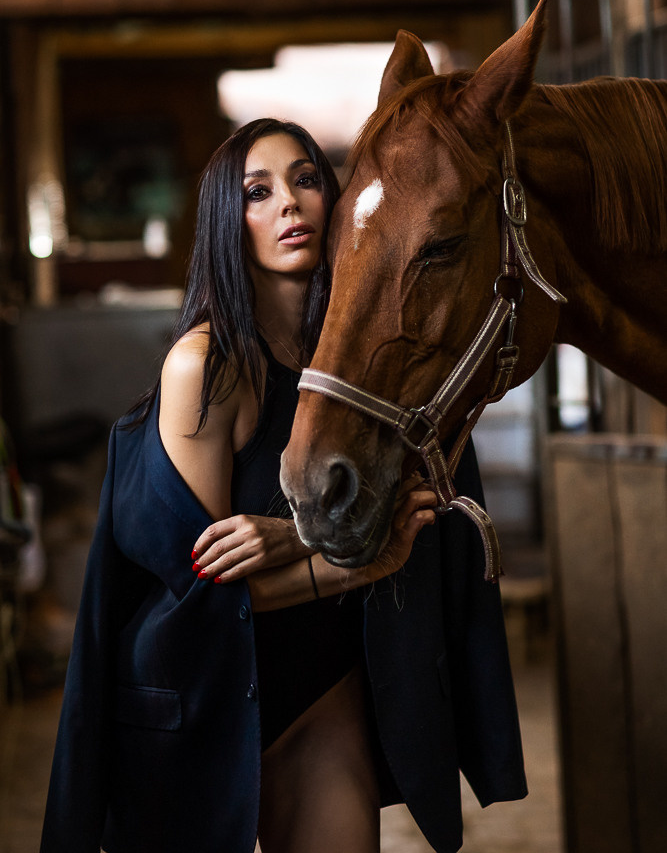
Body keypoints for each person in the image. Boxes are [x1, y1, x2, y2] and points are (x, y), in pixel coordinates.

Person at [40, 118, 526, 853]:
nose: (289, 205)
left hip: (319, 691)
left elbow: (417, 509)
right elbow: (204, 596)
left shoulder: (368, 364)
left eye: (304, 180)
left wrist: (291, 538)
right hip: (197, 693)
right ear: (224, 224)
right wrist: (351, 557)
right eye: (256, 193)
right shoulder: (206, 367)